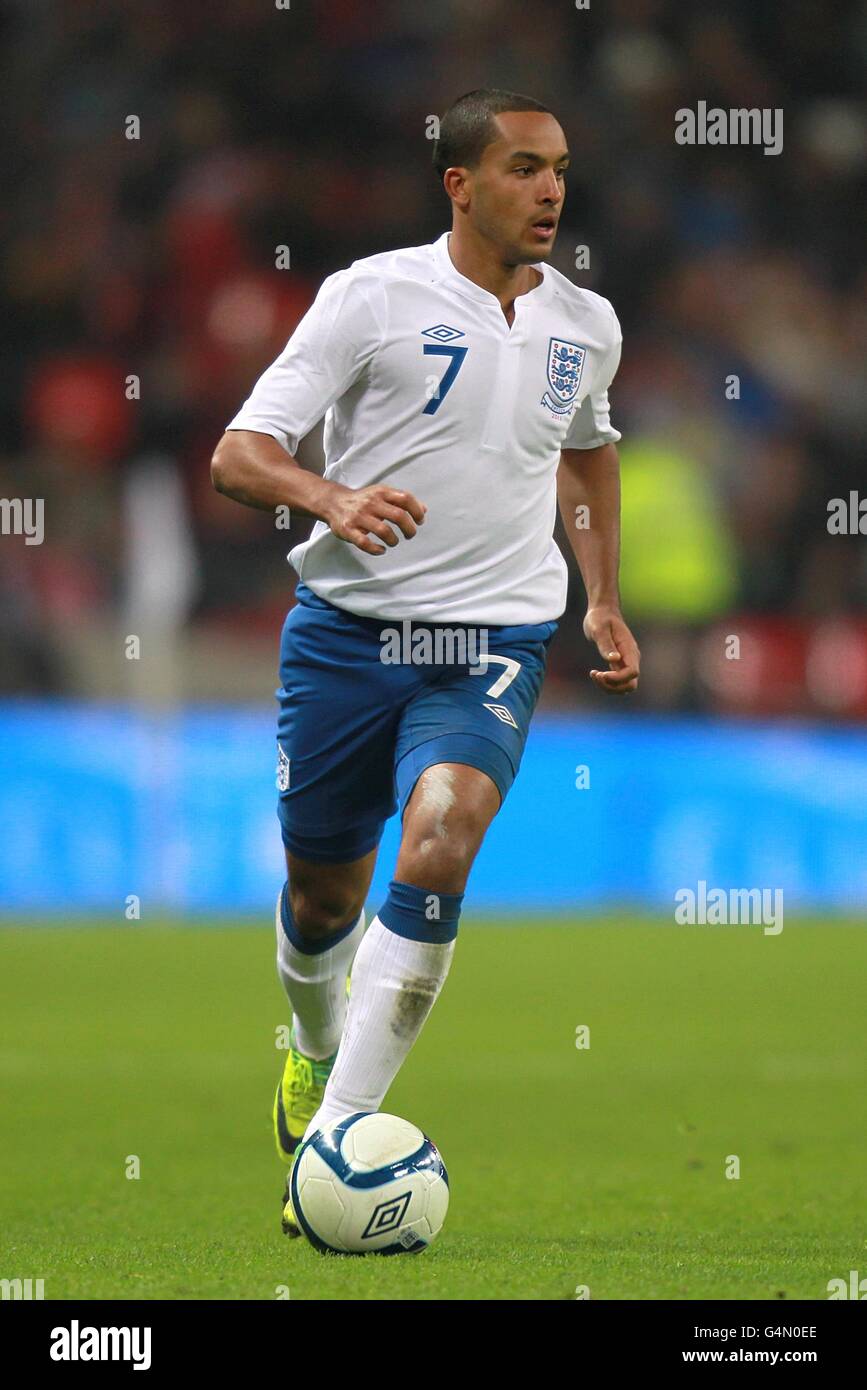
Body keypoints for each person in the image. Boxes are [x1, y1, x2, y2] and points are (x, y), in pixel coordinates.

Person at [211, 88, 640, 1235]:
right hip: (349, 641)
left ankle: (336, 1141)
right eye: (522, 168)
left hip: (492, 640)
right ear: (459, 183)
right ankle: (311, 1047)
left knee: (446, 829)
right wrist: (330, 496)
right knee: (321, 896)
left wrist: (599, 595)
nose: (550, 189)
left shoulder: (585, 324)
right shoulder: (372, 297)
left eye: (559, 168)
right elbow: (239, 454)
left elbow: (589, 454)